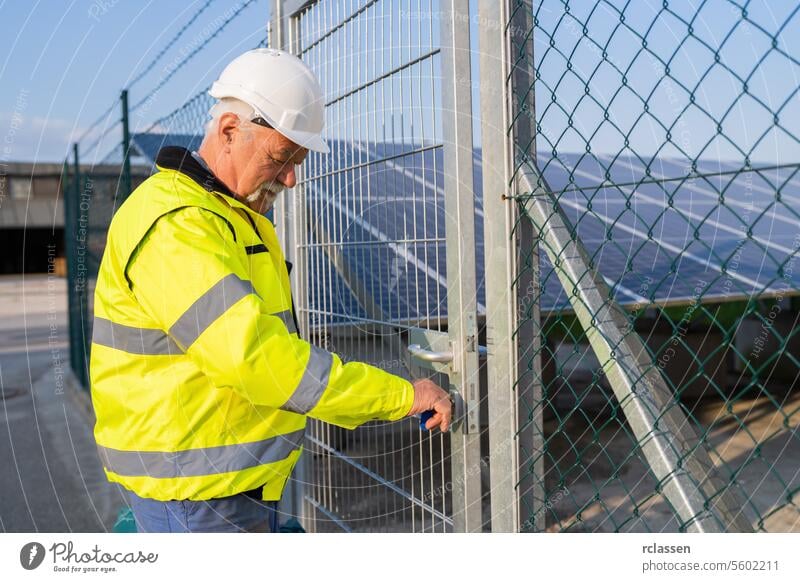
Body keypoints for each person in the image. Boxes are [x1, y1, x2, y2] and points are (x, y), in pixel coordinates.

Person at [89, 48, 451, 533]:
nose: (291, 177)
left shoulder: (229, 214)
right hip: (199, 501)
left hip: (220, 490)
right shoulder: (179, 225)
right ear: (229, 131)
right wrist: (399, 395)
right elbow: (257, 359)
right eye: (280, 158)